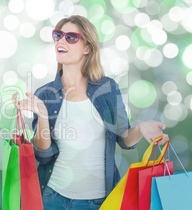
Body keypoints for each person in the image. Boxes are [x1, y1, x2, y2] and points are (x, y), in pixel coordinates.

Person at [11, 15, 169, 210]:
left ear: (87, 48)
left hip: (98, 202)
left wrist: (142, 128)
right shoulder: (44, 94)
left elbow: (124, 139)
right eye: (58, 35)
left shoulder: (108, 89)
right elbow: (43, 156)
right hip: (53, 198)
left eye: (70, 37)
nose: (60, 40)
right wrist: (42, 115)